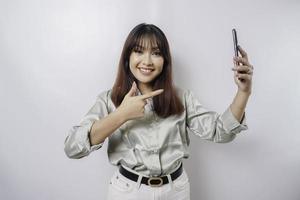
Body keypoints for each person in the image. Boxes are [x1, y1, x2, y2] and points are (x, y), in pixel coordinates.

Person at [64, 23, 253, 200]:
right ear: (127, 57)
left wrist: (243, 92)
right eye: (138, 51)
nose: (147, 61)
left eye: (156, 53)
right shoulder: (109, 99)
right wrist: (121, 114)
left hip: (176, 191)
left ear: (165, 60)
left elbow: (221, 132)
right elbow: (72, 147)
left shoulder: (182, 97)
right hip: (128, 192)